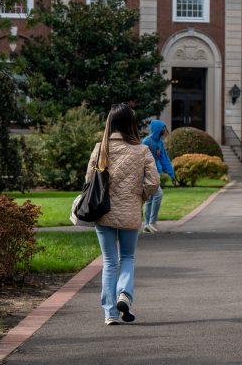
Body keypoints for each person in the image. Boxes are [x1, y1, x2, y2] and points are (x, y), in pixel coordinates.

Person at [85, 103, 160, 325]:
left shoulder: (101, 148)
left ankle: (110, 314)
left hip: (103, 211)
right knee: (127, 257)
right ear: (131, 124)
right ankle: (124, 294)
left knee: (109, 261)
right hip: (129, 212)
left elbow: (89, 180)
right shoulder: (142, 150)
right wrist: (141, 196)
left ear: (110, 123)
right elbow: (154, 181)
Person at [142, 119, 176, 233]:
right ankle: (152, 222)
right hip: (147, 175)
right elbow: (140, 160)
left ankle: (147, 225)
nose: (164, 130)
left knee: (150, 199)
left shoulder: (159, 142)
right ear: (157, 129)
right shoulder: (146, 142)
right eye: (162, 128)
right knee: (158, 194)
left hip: (156, 173)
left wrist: (172, 174)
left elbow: (164, 159)